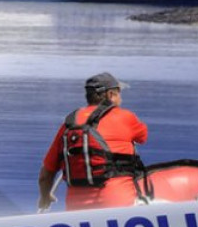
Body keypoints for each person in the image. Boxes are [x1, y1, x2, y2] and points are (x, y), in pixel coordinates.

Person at [38, 72, 148, 211]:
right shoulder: (126, 117)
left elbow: (45, 175)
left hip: (75, 208)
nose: (120, 99)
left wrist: (45, 197)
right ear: (111, 95)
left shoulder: (70, 123)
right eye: (119, 94)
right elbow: (142, 137)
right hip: (117, 203)